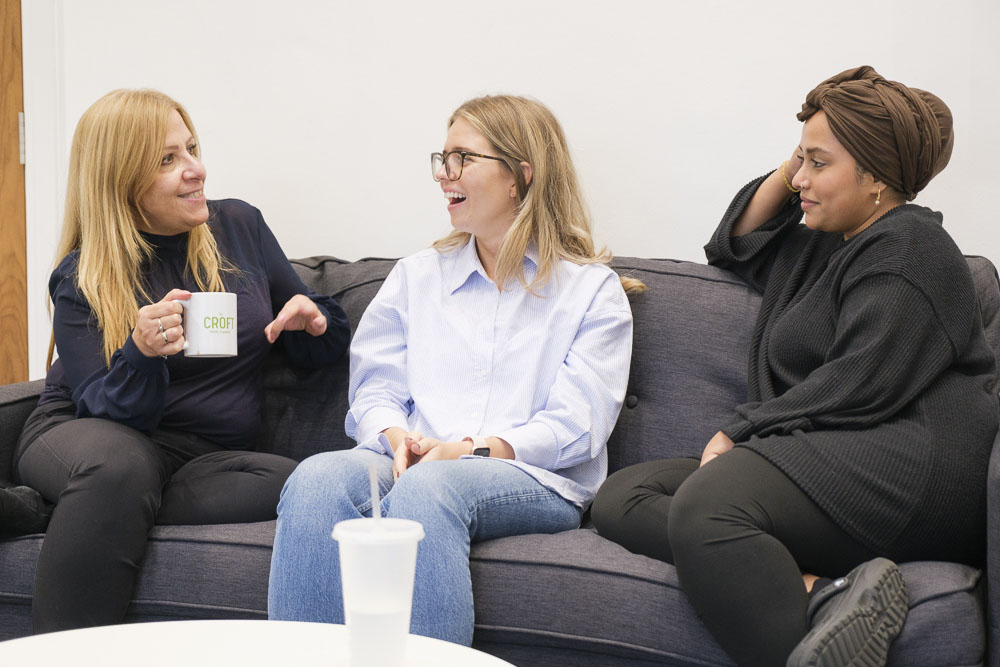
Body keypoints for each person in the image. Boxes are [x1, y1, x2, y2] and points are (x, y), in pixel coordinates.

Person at [591, 66, 998, 667]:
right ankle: (827, 597)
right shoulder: (825, 238)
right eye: (798, 161)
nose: (800, 179)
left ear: (878, 176)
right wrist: (799, 162)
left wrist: (741, 431)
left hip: (917, 463)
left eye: (819, 164)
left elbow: (863, 378)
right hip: (841, 451)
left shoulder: (912, 247)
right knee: (621, 496)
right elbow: (732, 243)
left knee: (711, 501)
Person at [267, 94, 641, 645]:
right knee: (315, 478)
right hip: (411, 456)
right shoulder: (416, 277)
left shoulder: (591, 291)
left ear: (520, 175)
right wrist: (396, 439)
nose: (445, 175)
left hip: (530, 476)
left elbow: (575, 428)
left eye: (462, 158)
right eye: (441, 159)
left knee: (430, 488)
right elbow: (374, 391)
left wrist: (467, 450)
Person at [13, 89, 350, 634]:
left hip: (204, 458)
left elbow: (310, 338)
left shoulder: (238, 228)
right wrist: (141, 353)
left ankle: (63, 509)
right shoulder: (84, 276)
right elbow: (102, 407)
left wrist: (316, 321)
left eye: (191, 148)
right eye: (168, 160)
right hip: (87, 433)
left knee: (310, 482)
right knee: (121, 468)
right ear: (121, 180)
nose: (196, 170)